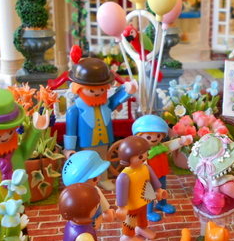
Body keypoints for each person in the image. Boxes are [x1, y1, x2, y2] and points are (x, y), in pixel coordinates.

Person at [63, 57, 137, 191]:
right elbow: (70, 131)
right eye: (92, 90)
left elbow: (115, 100)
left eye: (102, 89)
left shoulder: (105, 104)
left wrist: (127, 90)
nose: (98, 93)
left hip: (103, 140)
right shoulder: (74, 110)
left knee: (103, 159)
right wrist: (69, 148)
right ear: (78, 88)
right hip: (85, 143)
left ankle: (103, 179)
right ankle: (86, 181)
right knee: (86, 162)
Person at [131, 115, 193, 222]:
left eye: (158, 135)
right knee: (149, 193)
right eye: (149, 137)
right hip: (148, 177)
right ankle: (148, 211)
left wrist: (181, 141)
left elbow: (171, 145)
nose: (154, 139)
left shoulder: (162, 147)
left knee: (163, 189)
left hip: (161, 174)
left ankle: (162, 204)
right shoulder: (141, 152)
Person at [115, 136, 166, 241]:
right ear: (127, 158)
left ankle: (142, 228)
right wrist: (121, 207)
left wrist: (159, 190)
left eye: (145, 154)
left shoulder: (146, 168)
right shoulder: (124, 176)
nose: (144, 158)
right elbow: (121, 192)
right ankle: (127, 236)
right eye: (140, 156)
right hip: (131, 204)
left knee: (143, 216)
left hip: (143, 199)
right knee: (130, 220)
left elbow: (154, 180)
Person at [62, 150, 115, 227]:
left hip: (96, 220)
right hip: (83, 227)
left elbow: (103, 205)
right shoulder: (75, 200)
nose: (99, 179)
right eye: (94, 179)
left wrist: (107, 211)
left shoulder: (95, 189)